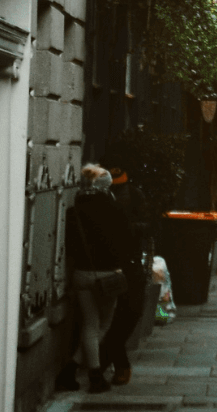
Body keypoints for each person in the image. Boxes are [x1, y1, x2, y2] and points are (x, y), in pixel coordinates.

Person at [60, 165, 135, 394]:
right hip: (108, 276)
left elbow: (70, 246)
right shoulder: (116, 209)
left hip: (82, 274)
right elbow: (126, 244)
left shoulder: (74, 211)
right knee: (102, 325)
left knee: (89, 325)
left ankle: (69, 372)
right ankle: (94, 376)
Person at [98, 167, 149, 386]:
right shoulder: (104, 200)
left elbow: (148, 226)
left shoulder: (134, 197)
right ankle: (111, 364)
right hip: (114, 265)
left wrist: (129, 228)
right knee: (117, 317)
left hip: (128, 264)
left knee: (127, 314)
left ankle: (106, 362)